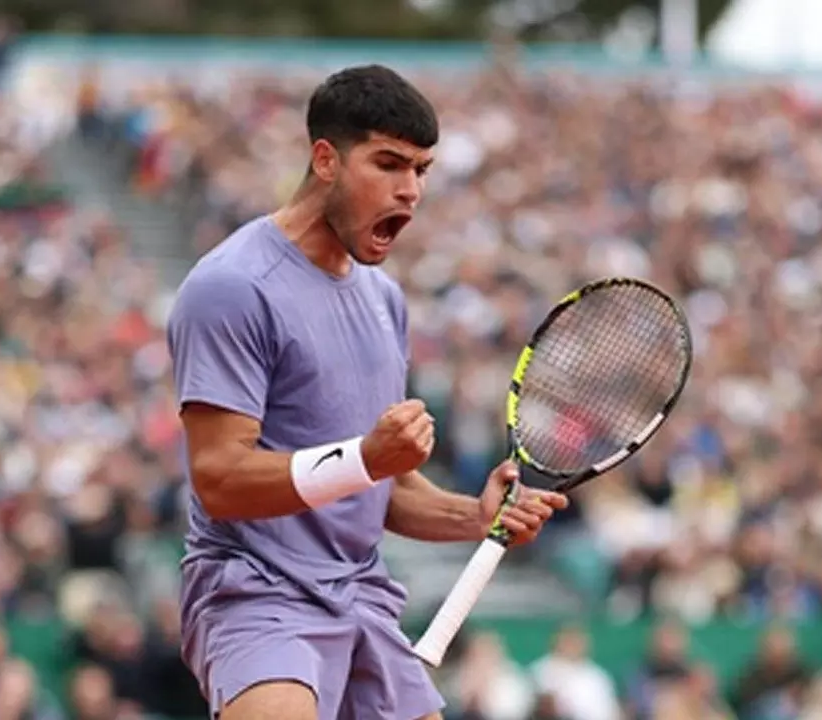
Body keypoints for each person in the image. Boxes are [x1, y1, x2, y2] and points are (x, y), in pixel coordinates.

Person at [167, 64, 569, 720]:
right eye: (388, 164)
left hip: (361, 598)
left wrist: (473, 516)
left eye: (421, 170)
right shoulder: (232, 287)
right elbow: (219, 478)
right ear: (325, 159)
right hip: (257, 598)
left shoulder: (384, 299)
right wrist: (366, 460)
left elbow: (379, 486)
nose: (409, 190)